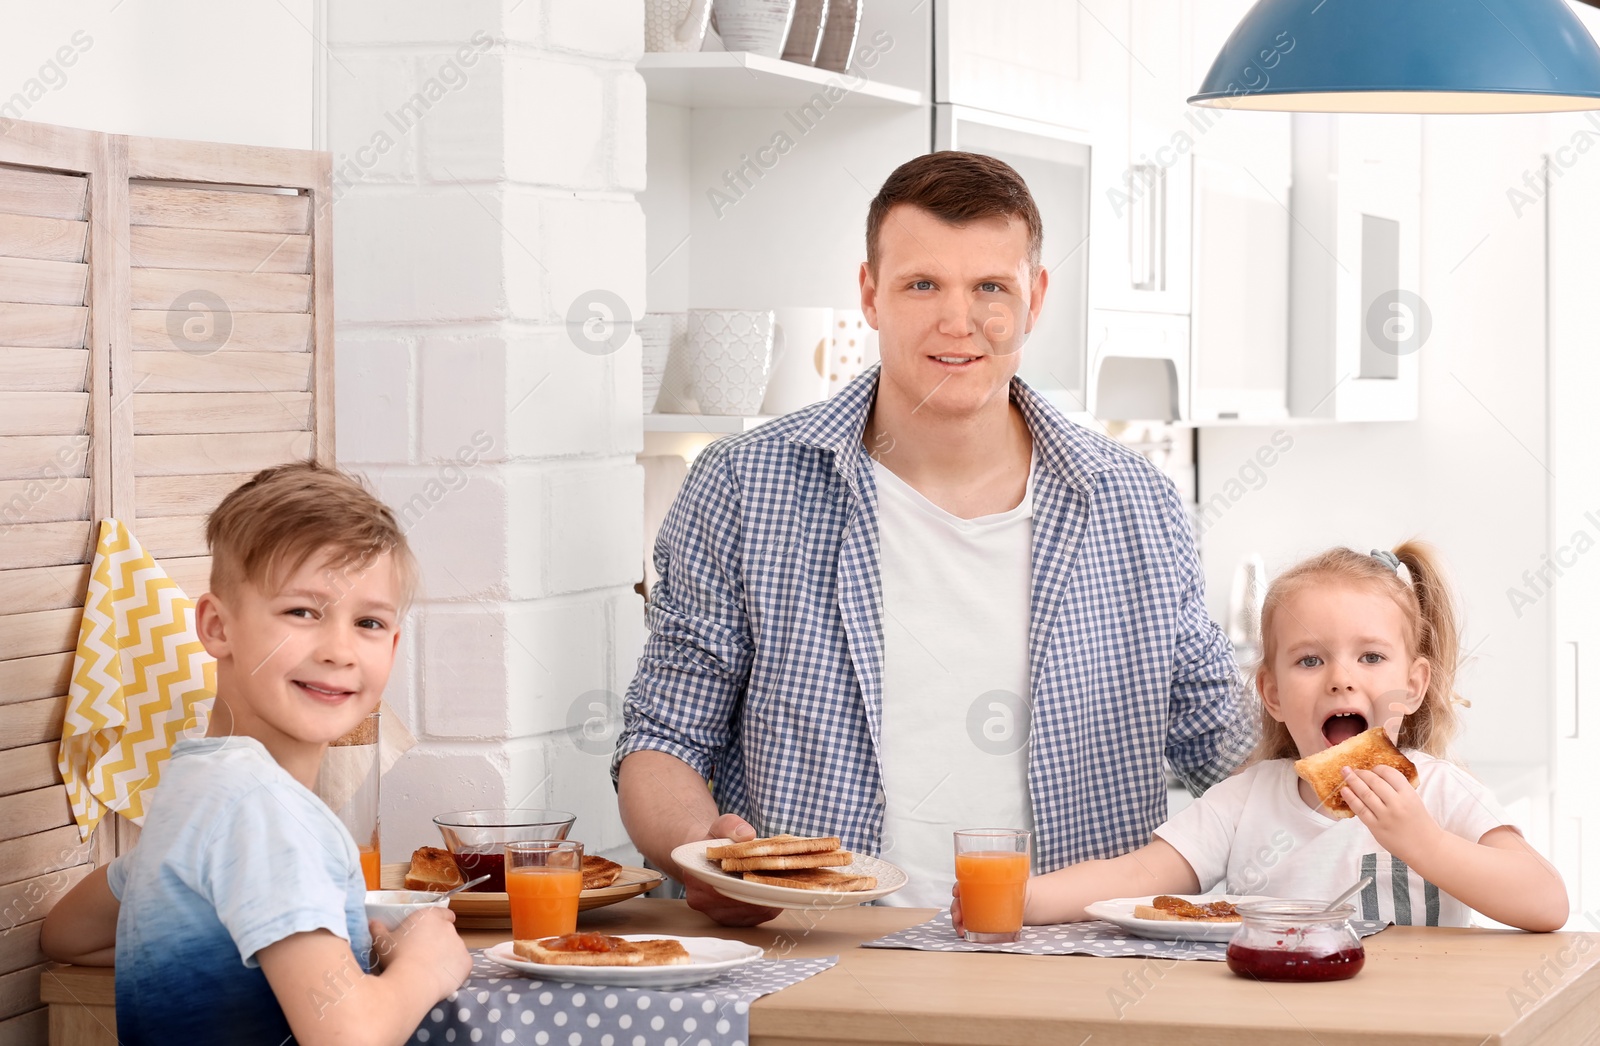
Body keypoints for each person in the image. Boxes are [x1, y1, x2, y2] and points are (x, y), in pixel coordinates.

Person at [613, 151, 1253, 924]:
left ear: (1035, 298)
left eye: (991, 286)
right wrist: (699, 848)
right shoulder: (742, 487)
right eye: (923, 284)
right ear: (869, 294)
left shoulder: (1134, 502)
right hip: (821, 957)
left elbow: (1224, 743)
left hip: (1072, 956)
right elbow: (663, 739)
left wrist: (1354, 733)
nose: (959, 321)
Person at [41, 463, 472, 1044]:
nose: (340, 650)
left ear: (393, 647)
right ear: (218, 627)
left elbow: (67, 934)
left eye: (368, 622)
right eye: (302, 611)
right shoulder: (266, 810)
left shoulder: (198, 790)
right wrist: (427, 964)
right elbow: (348, 1038)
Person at [995, 544, 1568, 931]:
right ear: (1271, 693)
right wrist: (1020, 898)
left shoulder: (1440, 793)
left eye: (1370, 657)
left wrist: (1424, 843)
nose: (1341, 677)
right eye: (1310, 660)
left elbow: (1547, 903)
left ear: (1413, 685)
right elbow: (1141, 876)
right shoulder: (1248, 799)